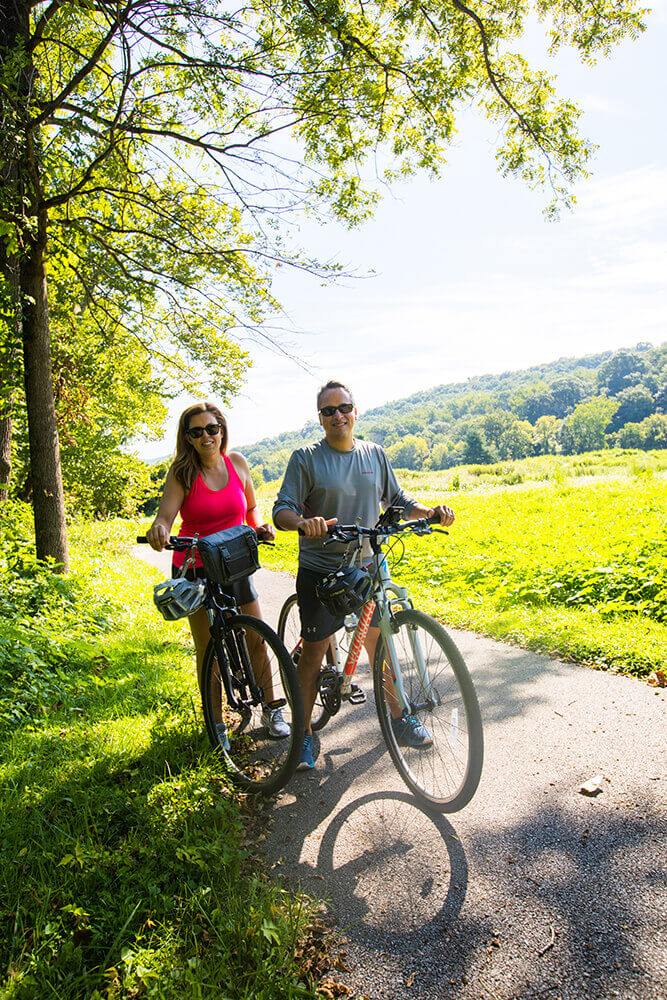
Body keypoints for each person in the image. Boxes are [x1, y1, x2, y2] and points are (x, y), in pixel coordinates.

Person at [273, 380, 455, 769]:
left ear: (355, 411)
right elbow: (281, 510)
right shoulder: (306, 458)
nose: (337, 415)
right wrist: (305, 522)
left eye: (344, 408)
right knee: (315, 651)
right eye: (328, 411)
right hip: (323, 570)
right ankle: (303, 734)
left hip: (370, 563)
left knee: (381, 645)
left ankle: (399, 718)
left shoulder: (374, 453)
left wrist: (428, 512)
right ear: (320, 418)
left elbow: (400, 500)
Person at [147, 401, 289, 738]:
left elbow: (251, 509)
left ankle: (272, 709)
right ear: (189, 438)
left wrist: (260, 527)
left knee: (256, 636)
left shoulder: (237, 463)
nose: (206, 436)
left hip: (235, 560)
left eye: (212, 428)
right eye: (197, 432)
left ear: (221, 429)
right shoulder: (182, 473)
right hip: (195, 565)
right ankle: (216, 724)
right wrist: (159, 530)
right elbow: (165, 517)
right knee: (208, 649)